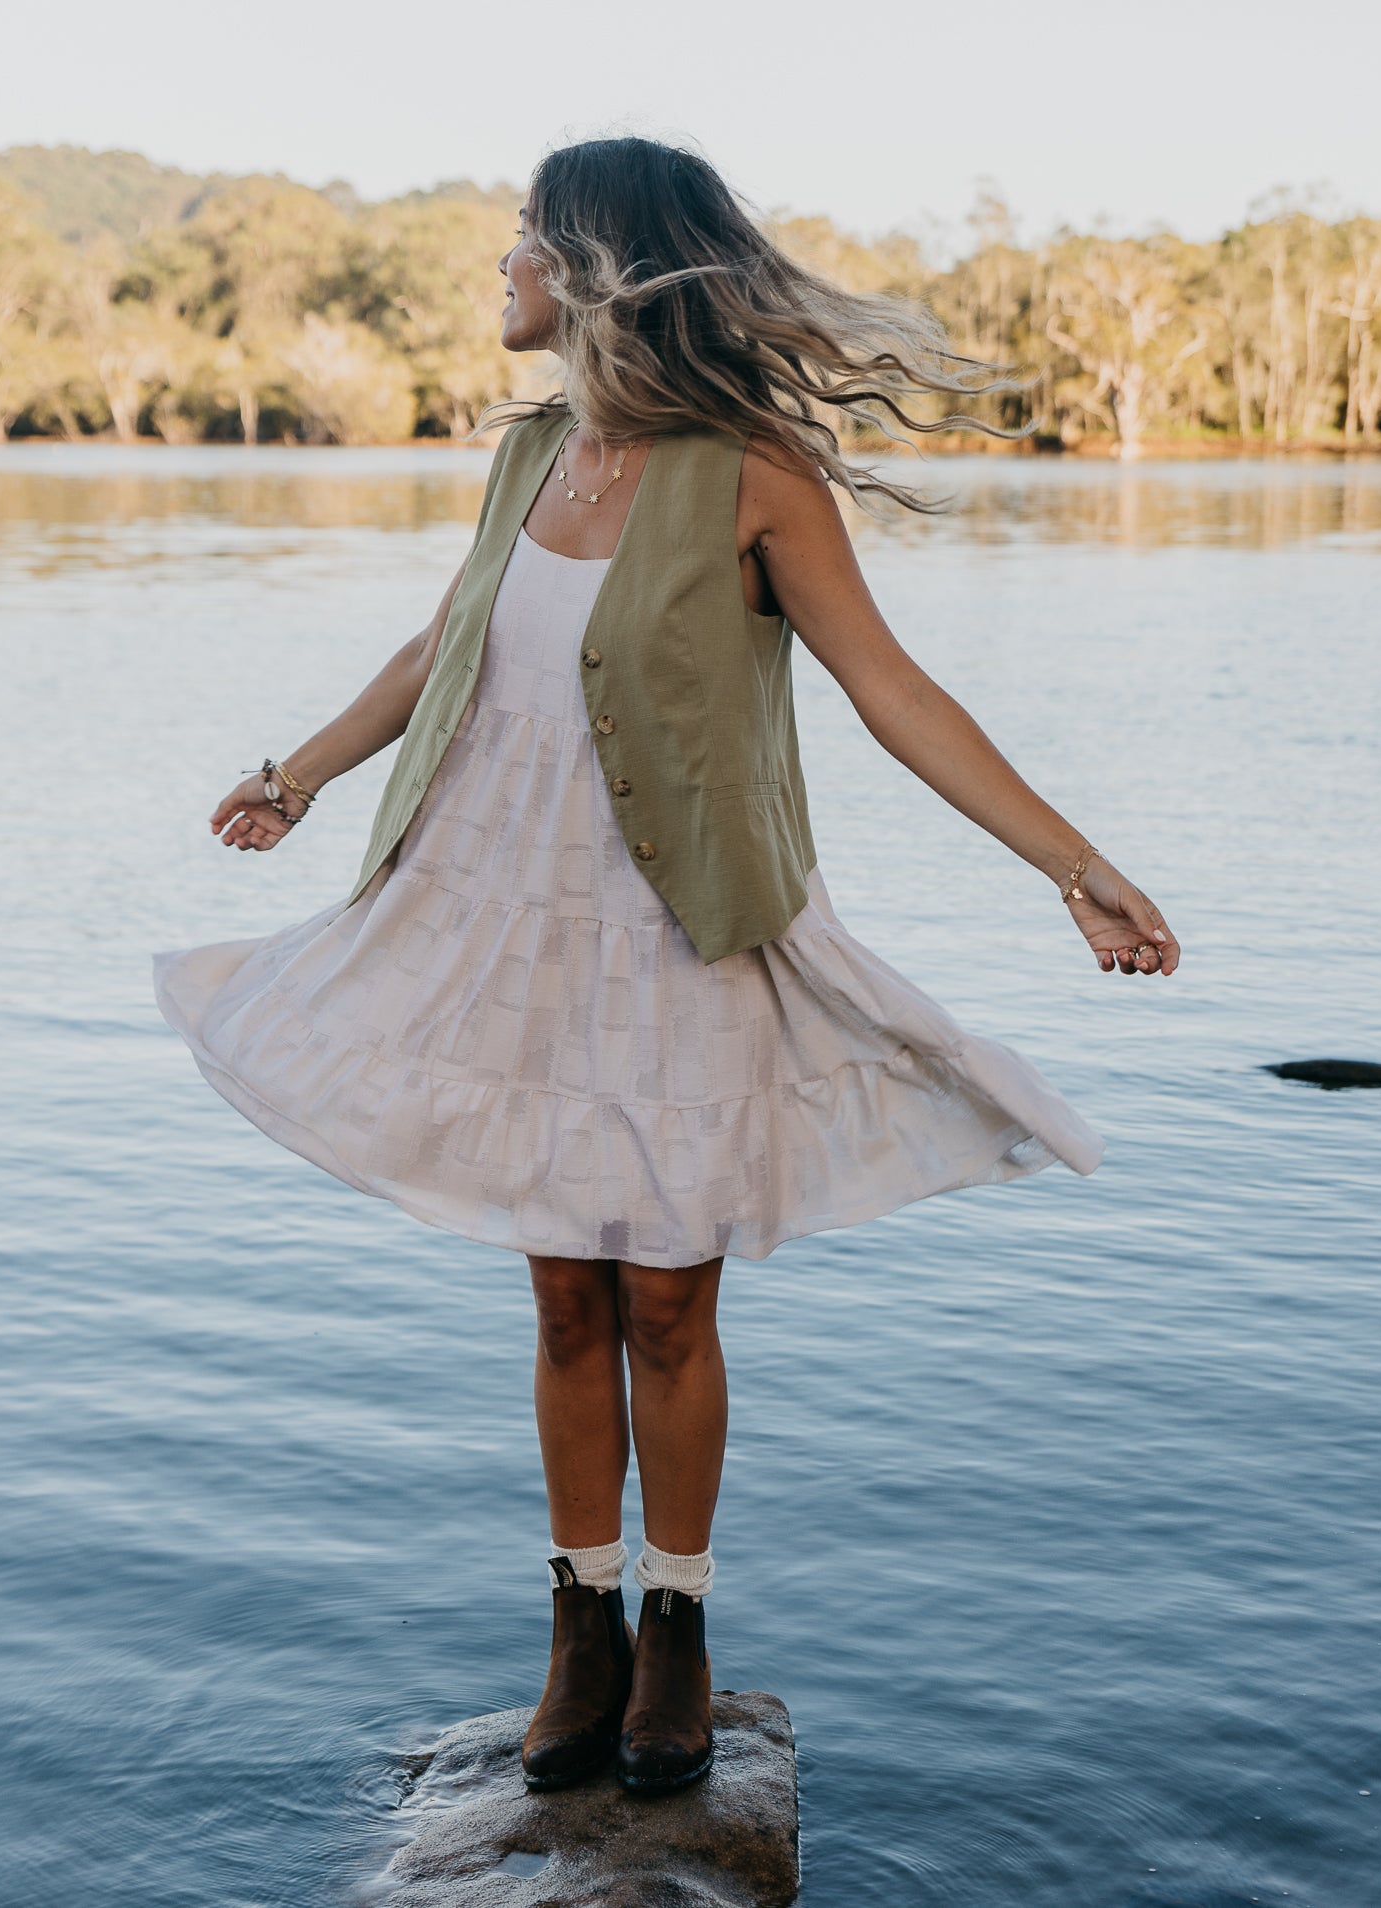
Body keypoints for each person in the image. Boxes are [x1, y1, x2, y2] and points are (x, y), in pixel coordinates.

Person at [154, 135, 1178, 1799]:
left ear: (596, 267)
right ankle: (580, 1627)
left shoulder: (757, 470)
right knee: (563, 1293)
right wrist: (298, 772)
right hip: (507, 915)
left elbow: (891, 690)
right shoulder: (533, 457)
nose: (501, 268)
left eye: (522, 243)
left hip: (682, 921)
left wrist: (1080, 867)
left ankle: (680, 1628)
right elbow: (446, 643)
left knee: (668, 1296)